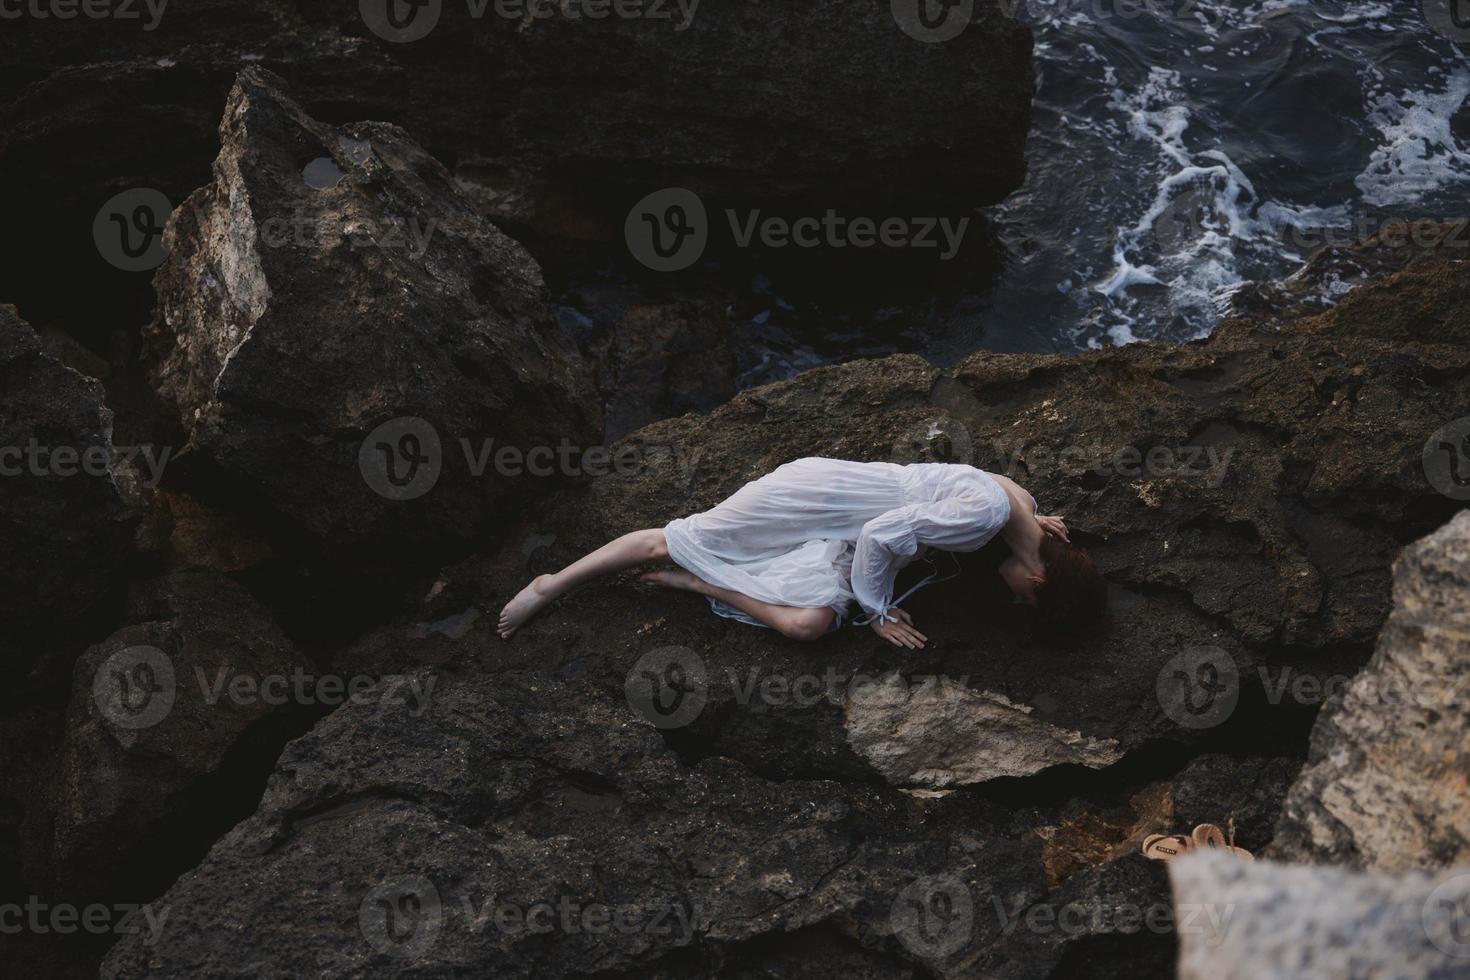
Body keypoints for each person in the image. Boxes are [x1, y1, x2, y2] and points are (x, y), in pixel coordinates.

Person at [497, 457, 1107, 648]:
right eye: (1030, 598)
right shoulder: (993, 517)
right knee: (678, 539)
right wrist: (877, 611)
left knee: (805, 612)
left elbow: (1002, 491)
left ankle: (700, 583)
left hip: (842, 516)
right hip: (819, 500)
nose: (1015, 599)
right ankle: (553, 584)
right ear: (1040, 574)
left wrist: (1029, 515)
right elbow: (880, 537)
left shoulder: (1017, 509)